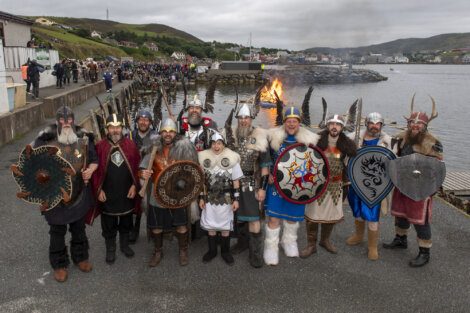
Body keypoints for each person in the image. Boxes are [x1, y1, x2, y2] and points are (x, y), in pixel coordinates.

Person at [32, 106, 98, 282]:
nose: (66, 123)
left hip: (78, 193)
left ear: (73, 120)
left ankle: (81, 258)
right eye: (62, 120)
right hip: (54, 195)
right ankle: (59, 264)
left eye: (69, 120)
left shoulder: (84, 138)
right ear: (57, 121)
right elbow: (34, 166)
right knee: (57, 231)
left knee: (79, 229)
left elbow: (94, 160)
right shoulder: (44, 140)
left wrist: (90, 170)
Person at [383, 99, 443, 267]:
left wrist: (431, 188)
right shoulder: (402, 138)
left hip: (421, 188)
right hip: (402, 184)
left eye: (419, 126)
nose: (415, 127)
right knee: (401, 213)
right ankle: (401, 239)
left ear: (425, 127)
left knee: (420, 220)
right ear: (408, 124)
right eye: (412, 124)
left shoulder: (433, 143)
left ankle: (425, 252)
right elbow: (394, 156)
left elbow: (438, 168)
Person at [264, 107, 319, 266]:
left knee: (291, 218)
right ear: (284, 122)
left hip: (297, 186)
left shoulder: (308, 140)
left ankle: (289, 241)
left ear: (299, 123)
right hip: (276, 185)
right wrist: (268, 173)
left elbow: (315, 162)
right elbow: (265, 158)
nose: (291, 124)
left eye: (295, 121)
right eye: (289, 121)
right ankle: (271, 247)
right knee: (274, 218)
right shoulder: (274, 137)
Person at [139, 118, 198, 267]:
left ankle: (183, 250)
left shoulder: (184, 149)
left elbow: (192, 171)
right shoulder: (153, 148)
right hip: (156, 195)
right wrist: (142, 174)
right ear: (160, 132)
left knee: (181, 225)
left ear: (175, 132)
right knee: (157, 226)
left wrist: (186, 186)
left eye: (171, 131)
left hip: (177, 195)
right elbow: (142, 168)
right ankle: (158, 251)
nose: (167, 134)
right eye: (164, 131)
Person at [302, 113, 356, 257]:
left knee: (331, 215)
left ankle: (325, 240)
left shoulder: (347, 145)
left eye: (338, 124)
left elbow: (351, 165)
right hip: (317, 184)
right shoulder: (317, 140)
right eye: (332, 124)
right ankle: (311, 244)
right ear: (327, 125)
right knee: (312, 216)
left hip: (336, 185)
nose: (334, 126)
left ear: (342, 127)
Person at [91, 114, 141, 264]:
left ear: (122, 127)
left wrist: (135, 185)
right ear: (107, 128)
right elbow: (94, 172)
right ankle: (110, 248)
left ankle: (124, 245)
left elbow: (138, 168)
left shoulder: (130, 145)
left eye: (118, 127)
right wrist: (98, 190)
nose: (115, 130)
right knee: (109, 223)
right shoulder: (100, 146)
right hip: (108, 193)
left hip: (127, 191)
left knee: (126, 221)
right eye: (112, 127)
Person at [225, 103, 270, 268]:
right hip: (232, 182)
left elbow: (265, 166)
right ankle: (242, 243)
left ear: (251, 119)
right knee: (237, 216)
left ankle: (256, 253)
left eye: (247, 117)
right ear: (237, 119)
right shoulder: (229, 136)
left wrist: (263, 188)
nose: (244, 120)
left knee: (254, 218)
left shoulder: (259, 136)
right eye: (241, 117)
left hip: (252, 183)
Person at [345, 112, 395, 260]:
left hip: (375, 186)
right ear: (366, 124)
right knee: (358, 212)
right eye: (371, 123)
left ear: (381, 125)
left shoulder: (388, 142)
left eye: (377, 124)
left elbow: (394, 163)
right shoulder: (353, 137)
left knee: (372, 216)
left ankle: (372, 247)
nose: (374, 126)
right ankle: (359, 236)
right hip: (356, 181)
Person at [198, 131, 243, 265]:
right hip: (209, 198)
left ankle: (225, 251)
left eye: (219, 143)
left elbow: (236, 181)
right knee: (210, 225)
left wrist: (236, 199)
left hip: (226, 198)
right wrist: (201, 197)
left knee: (225, 227)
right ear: (210, 144)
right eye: (213, 143)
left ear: (223, 144)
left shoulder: (232, 158)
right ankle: (212, 251)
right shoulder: (203, 158)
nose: (216, 146)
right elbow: (202, 181)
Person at [128, 109, 157, 243]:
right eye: (141, 119)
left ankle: (153, 231)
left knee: (151, 204)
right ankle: (134, 230)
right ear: (137, 121)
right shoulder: (129, 136)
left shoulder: (155, 137)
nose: (143, 122)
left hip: (150, 175)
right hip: (133, 174)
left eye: (146, 120)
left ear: (150, 122)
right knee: (135, 205)